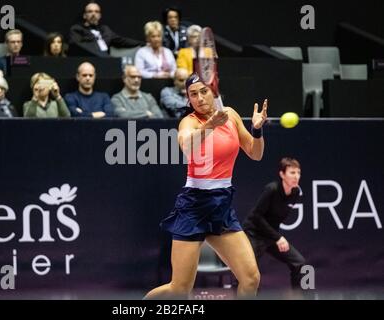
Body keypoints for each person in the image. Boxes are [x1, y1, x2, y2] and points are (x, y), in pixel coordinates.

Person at [144, 73, 268, 299]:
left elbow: (255, 153)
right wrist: (210, 125)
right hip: (194, 207)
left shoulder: (230, 115)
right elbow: (187, 146)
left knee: (251, 279)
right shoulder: (189, 122)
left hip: (222, 207)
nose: (199, 98)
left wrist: (257, 129)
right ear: (188, 100)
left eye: (204, 91)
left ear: (213, 92)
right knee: (180, 289)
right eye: (193, 94)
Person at [243, 158, 306, 291]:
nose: (296, 177)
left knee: (301, 263)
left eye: (298, 173)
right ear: (282, 174)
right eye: (292, 173)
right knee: (249, 273)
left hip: (271, 236)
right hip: (253, 234)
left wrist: (275, 237)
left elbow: (274, 219)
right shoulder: (271, 189)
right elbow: (256, 216)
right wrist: (277, 237)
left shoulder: (295, 192)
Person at [69, 1, 143, 57]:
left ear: (100, 15)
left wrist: (144, 44)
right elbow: (76, 45)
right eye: (90, 11)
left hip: (106, 62)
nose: (93, 14)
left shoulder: (105, 30)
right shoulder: (77, 29)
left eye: (96, 12)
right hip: (89, 59)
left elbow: (122, 41)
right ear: (85, 15)